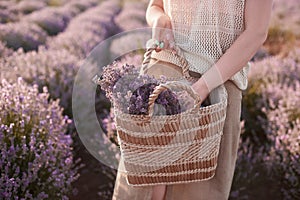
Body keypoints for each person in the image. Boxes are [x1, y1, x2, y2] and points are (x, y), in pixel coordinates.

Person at [112, 0, 273, 199]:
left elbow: (256, 32)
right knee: (141, 189)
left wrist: (202, 87)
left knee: (197, 190)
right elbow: (156, 6)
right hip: (163, 74)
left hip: (217, 87)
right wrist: (160, 20)